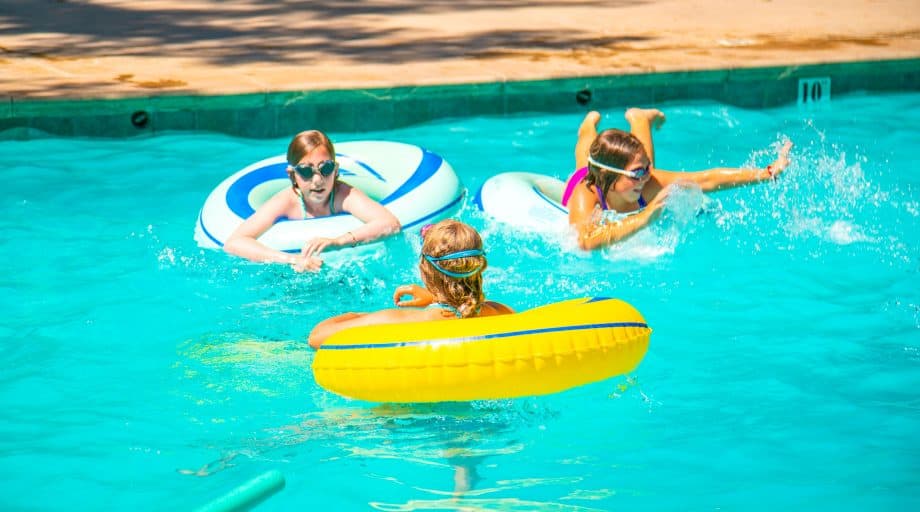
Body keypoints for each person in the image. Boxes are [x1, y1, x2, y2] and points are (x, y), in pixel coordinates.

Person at [563, 108, 793, 250]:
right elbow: (585, 241)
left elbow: (706, 179)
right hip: (589, 173)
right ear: (610, 177)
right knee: (585, 154)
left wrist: (767, 172)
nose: (645, 177)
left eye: (646, 169)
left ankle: (640, 118)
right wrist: (646, 217)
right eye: (637, 173)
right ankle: (589, 124)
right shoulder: (587, 192)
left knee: (641, 158)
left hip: (624, 173)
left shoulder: (645, 180)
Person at [307, 219, 513, 348]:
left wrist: (363, 316)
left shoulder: (395, 320)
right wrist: (435, 298)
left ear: (424, 269)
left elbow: (317, 337)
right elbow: (460, 313)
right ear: (478, 268)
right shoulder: (500, 312)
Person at [224, 130, 401, 271]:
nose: (318, 180)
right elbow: (235, 242)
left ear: (336, 169)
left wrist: (338, 242)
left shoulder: (343, 195)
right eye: (306, 172)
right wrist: (291, 259)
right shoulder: (286, 202)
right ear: (292, 175)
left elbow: (390, 223)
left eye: (326, 168)